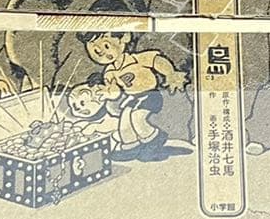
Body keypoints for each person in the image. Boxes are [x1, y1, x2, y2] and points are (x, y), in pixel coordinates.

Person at [76, 31, 187, 161]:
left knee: (136, 118)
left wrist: (170, 73)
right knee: (124, 123)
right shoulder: (109, 72)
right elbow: (115, 91)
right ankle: (130, 147)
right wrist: (107, 92)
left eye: (106, 46)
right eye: (96, 52)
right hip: (132, 99)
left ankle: (154, 141)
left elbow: (157, 61)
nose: (104, 53)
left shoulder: (135, 59)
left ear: (125, 38)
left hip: (149, 96)